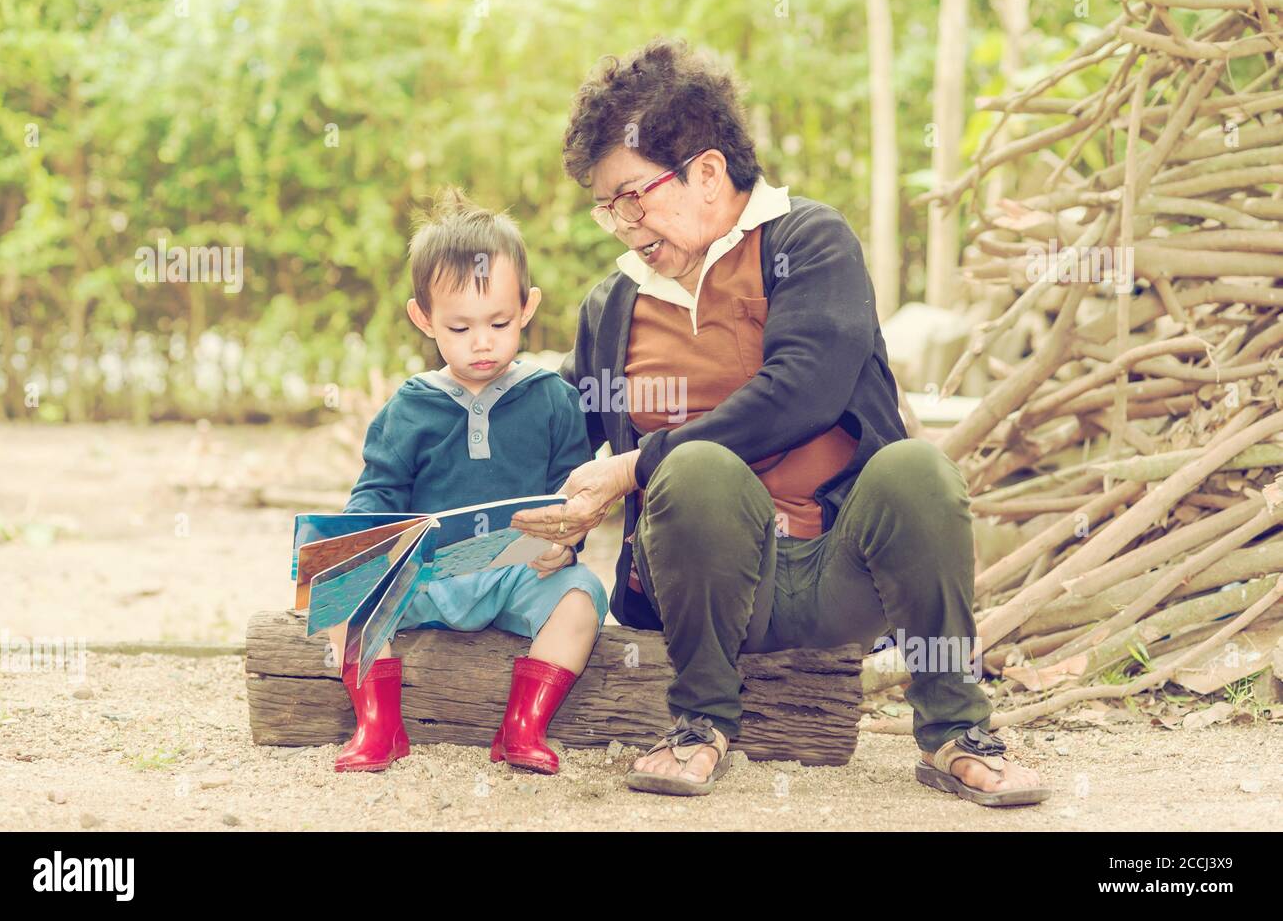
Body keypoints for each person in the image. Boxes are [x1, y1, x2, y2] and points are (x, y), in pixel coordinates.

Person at [512, 39, 1050, 805]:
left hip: (842, 571)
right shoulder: (616, 302)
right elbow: (562, 426)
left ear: (705, 172)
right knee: (694, 471)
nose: (620, 224)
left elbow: (804, 389)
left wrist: (634, 465)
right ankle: (699, 722)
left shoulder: (810, 242)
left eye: (631, 196)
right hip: (708, 591)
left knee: (919, 470)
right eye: (607, 206)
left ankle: (956, 729)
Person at [320, 188, 609, 776]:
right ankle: (378, 726)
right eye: (460, 327)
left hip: (518, 572)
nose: (483, 342)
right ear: (423, 318)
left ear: (527, 307)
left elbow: (573, 490)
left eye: (499, 322)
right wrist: (360, 540)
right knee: (337, 594)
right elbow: (379, 489)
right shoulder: (410, 406)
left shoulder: (551, 398)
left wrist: (566, 542)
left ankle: (523, 727)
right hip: (425, 576)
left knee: (582, 599)